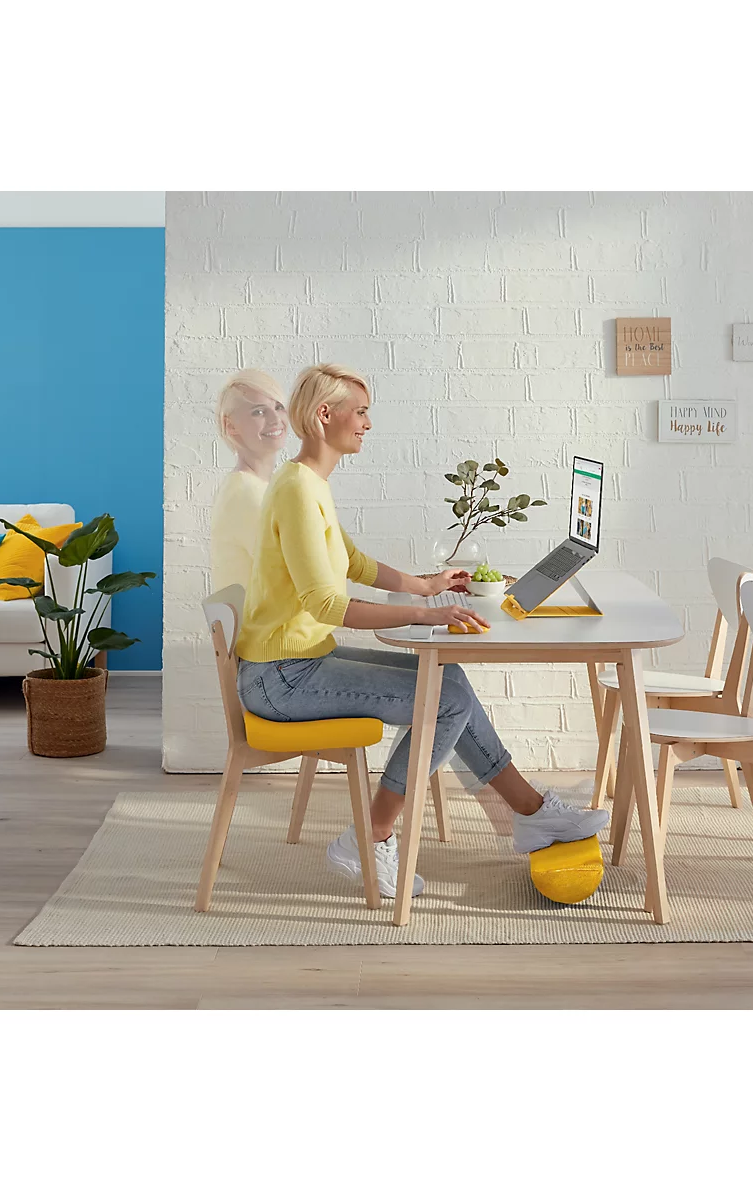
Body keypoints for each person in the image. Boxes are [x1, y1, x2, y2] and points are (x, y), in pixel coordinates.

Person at [234, 364, 608, 898]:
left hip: (298, 663)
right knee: (445, 702)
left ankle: (531, 813)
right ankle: (371, 836)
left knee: (448, 681)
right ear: (325, 415)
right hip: (282, 678)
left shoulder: (308, 482)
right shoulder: (296, 489)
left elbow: (352, 561)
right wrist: (423, 613)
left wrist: (425, 586)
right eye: (360, 412)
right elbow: (326, 603)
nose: (367, 423)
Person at [210, 369, 287, 593]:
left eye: (279, 407)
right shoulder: (246, 493)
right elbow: (295, 579)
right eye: (259, 412)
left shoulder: (257, 487)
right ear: (231, 425)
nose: (276, 419)